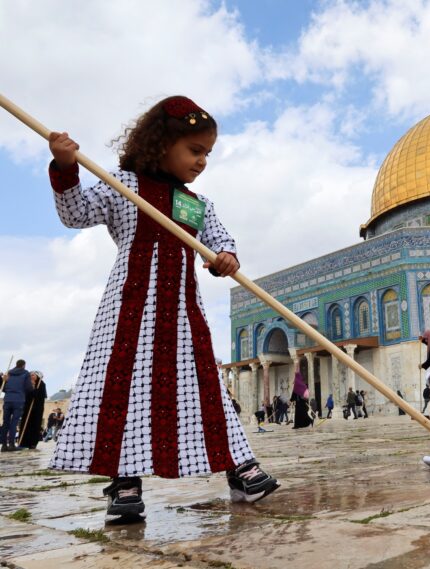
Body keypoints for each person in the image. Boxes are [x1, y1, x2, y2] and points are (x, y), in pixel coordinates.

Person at [46, 96, 278, 518]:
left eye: (207, 152)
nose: (202, 160)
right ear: (161, 144)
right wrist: (65, 168)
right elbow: (76, 213)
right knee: (123, 391)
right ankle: (125, 484)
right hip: (128, 314)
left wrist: (225, 256)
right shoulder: (123, 185)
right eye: (195, 150)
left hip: (183, 314)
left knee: (204, 387)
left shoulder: (195, 203)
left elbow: (220, 237)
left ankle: (240, 470)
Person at [1, 359, 33, 452]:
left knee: (5, 422)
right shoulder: (26, 373)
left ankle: (3, 445)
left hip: (7, 399)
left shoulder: (8, 373)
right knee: (14, 422)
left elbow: (3, 388)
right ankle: (11, 444)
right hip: (18, 400)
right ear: (23, 365)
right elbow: (28, 388)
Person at [19, 371, 48, 450]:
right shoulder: (27, 384)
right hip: (28, 408)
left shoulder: (41, 384)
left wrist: (34, 388)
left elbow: (39, 396)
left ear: (37, 376)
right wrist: (31, 387)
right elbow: (27, 395)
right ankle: (23, 442)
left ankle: (33, 443)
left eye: (33, 375)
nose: (31, 376)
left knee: (35, 425)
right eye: (30, 375)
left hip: (37, 408)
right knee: (26, 424)